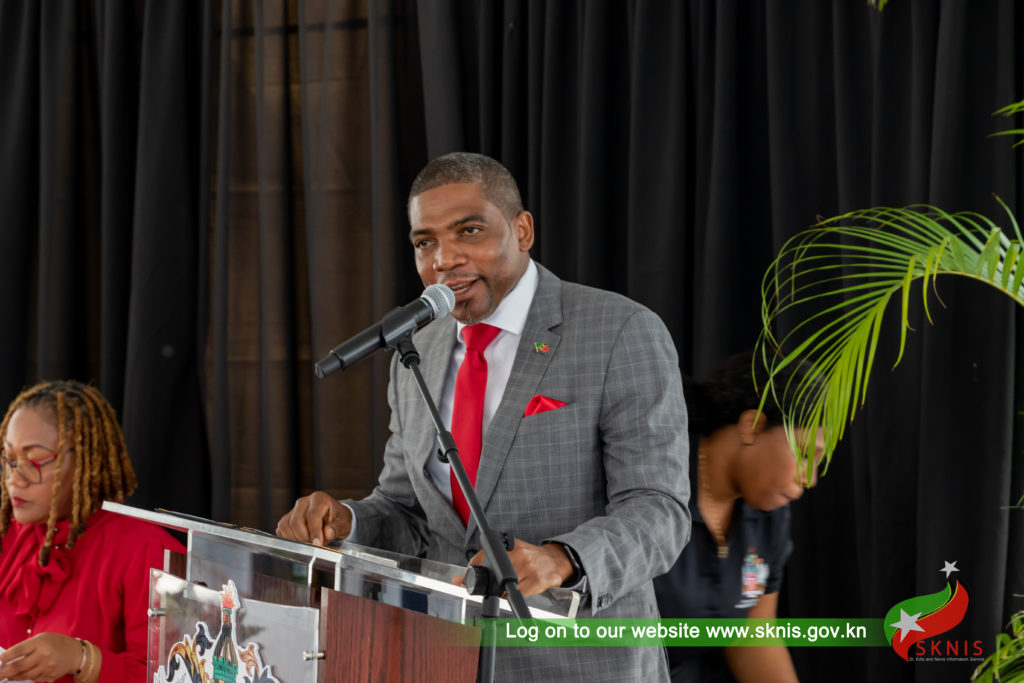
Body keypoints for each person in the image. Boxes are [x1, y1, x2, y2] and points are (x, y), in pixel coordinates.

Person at [277, 152, 690, 680]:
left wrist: (563, 558)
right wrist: (348, 522)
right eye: (425, 242)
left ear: (522, 231)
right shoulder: (416, 352)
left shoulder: (620, 332)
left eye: (468, 231)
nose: (443, 260)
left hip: (580, 664)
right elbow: (410, 512)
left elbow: (659, 508)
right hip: (445, 659)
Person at [653, 351, 826, 682]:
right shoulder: (653, 490)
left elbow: (753, 635)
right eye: (805, 454)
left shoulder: (770, 517)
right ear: (752, 426)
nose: (810, 479)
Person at [0, 380, 185, 683]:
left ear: (86, 459)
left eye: (33, 461)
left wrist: (83, 658)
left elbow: (174, 675)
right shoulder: (6, 533)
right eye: (9, 459)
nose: (14, 479)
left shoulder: (149, 550)